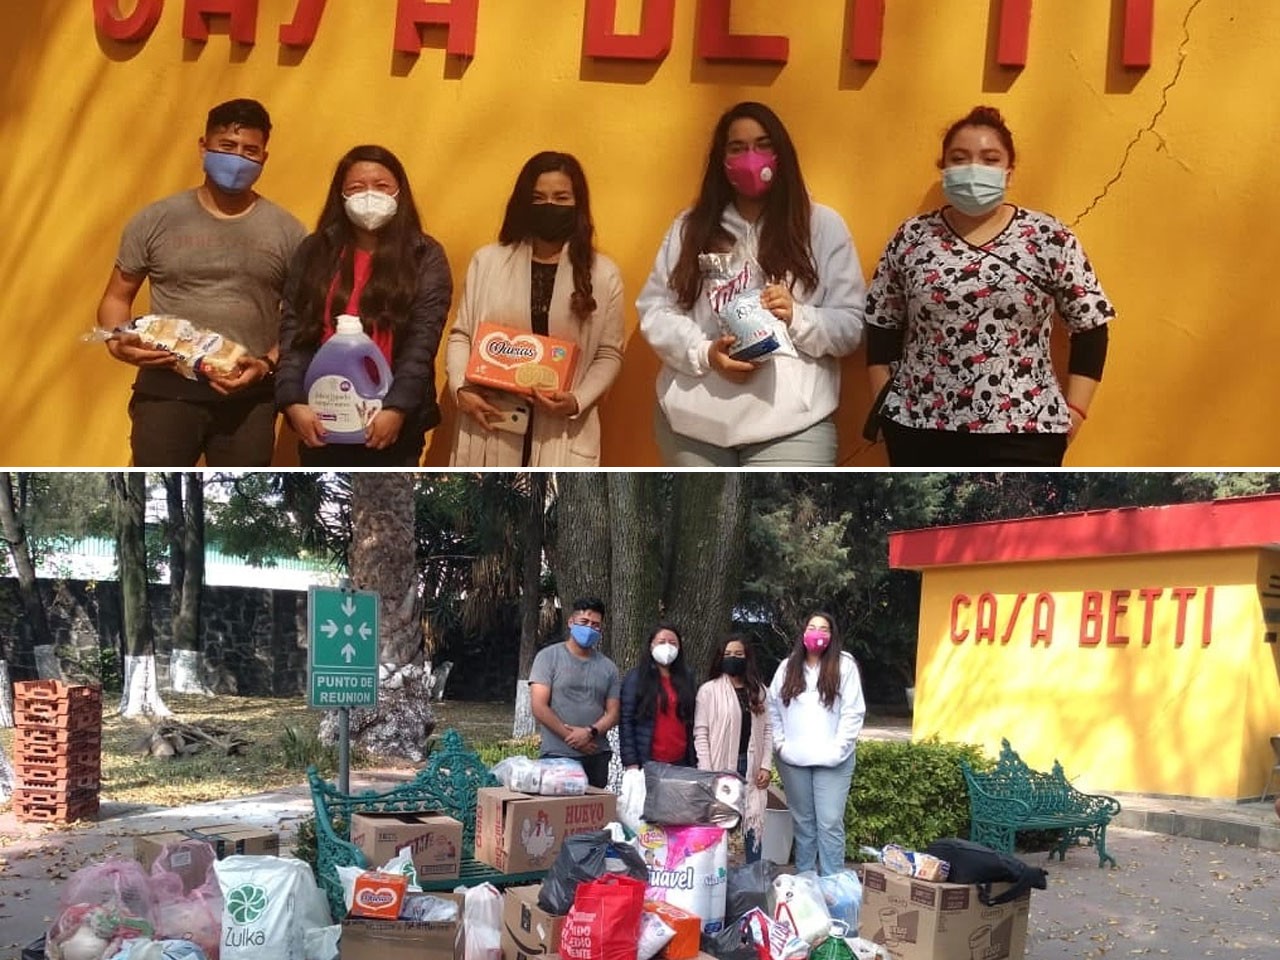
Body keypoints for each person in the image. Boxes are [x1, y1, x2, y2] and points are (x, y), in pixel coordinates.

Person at [864, 105, 1116, 467]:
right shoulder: (913, 237)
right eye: (960, 158)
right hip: (918, 426)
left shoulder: (1048, 237)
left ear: (1009, 172)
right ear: (944, 168)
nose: (973, 168)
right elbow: (881, 325)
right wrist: (884, 406)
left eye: (989, 158)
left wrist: (1074, 412)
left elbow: (1091, 326)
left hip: (1025, 430)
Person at [636, 101, 866, 467]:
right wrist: (705, 352)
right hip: (694, 426)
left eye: (763, 144)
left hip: (791, 426)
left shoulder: (822, 226)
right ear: (721, 159)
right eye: (737, 148)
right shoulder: (689, 227)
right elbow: (655, 310)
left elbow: (851, 326)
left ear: (782, 153)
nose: (751, 158)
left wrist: (798, 317)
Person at [95, 98, 306, 466]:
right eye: (227, 147)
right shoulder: (156, 220)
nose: (237, 159)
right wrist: (119, 341)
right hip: (165, 395)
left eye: (249, 151)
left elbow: (302, 319)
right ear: (204, 146)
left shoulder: (288, 231)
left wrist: (268, 364)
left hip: (249, 400)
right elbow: (116, 298)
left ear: (263, 159)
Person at [275, 144, 452, 467]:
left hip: (392, 423)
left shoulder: (425, 255)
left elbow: (422, 343)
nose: (369, 195)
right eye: (357, 187)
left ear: (400, 192)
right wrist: (292, 402)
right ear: (340, 196)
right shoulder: (314, 251)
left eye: (382, 186)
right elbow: (293, 332)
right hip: (322, 416)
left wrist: (396, 409)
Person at [446, 151, 624, 467]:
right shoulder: (487, 261)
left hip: (564, 430)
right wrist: (460, 388)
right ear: (523, 203)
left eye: (561, 197)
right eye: (538, 198)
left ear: (577, 203)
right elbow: (461, 335)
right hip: (492, 419)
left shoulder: (602, 273)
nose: (549, 206)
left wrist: (577, 400)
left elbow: (609, 353)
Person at [767, 612, 865, 876]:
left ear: (832, 636)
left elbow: (853, 711)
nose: (817, 633)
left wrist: (838, 751)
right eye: (812, 627)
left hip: (833, 761)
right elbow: (772, 707)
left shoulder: (844, 666)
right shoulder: (788, 667)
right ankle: (805, 882)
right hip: (793, 760)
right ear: (803, 632)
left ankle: (833, 884)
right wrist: (781, 745)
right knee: (804, 824)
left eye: (824, 629)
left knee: (830, 822)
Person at [694, 634, 773, 863]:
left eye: (738, 654)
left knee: (752, 825)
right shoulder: (708, 691)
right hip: (720, 769)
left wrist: (766, 766)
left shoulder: (759, 692)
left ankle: (753, 880)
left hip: (750, 766)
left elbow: (768, 731)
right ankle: (716, 878)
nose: (733, 658)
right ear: (720, 658)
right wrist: (708, 772)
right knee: (719, 828)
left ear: (747, 657)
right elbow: (701, 733)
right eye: (728, 654)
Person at [528, 598, 621, 788]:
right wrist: (573, 739)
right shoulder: (548, 657)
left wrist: (589, 732)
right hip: (557, 755)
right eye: (584, 623)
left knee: (592, 815)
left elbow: (614, 713)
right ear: (571, 622)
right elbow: (539, 706)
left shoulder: (608, 668)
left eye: (595, 625)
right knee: (556, 813)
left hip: (596, 754)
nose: (589, 628)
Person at [619, 623, 698, 771]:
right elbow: (626, 722)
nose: (667, 647)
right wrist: (631, 763)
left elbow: (691, 719)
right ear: (651, 646)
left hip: (681, 761)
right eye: (662, 642)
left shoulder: (687, 677)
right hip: (648, 761)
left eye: (673, 643)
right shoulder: (636, 678)